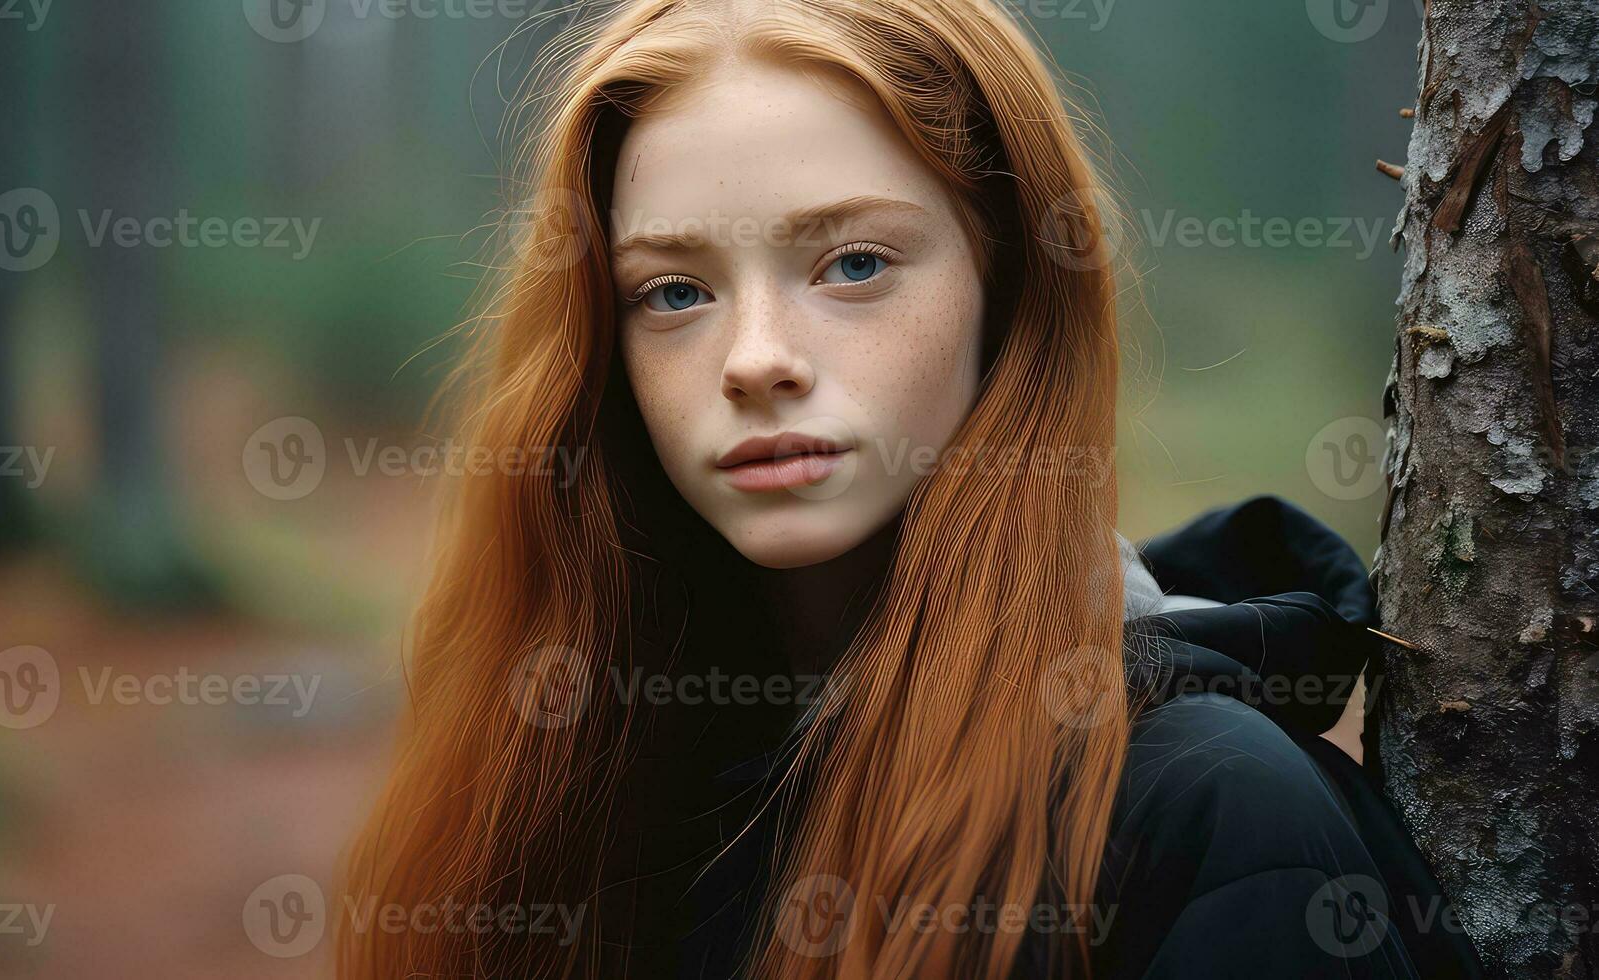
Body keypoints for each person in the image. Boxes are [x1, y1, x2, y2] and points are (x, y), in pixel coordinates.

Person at [338, 1, 1482, 976]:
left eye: (852, 264)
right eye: (674, 289)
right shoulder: (580, 770)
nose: (752, 357)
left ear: (1007, 285)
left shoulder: (1208, 818)